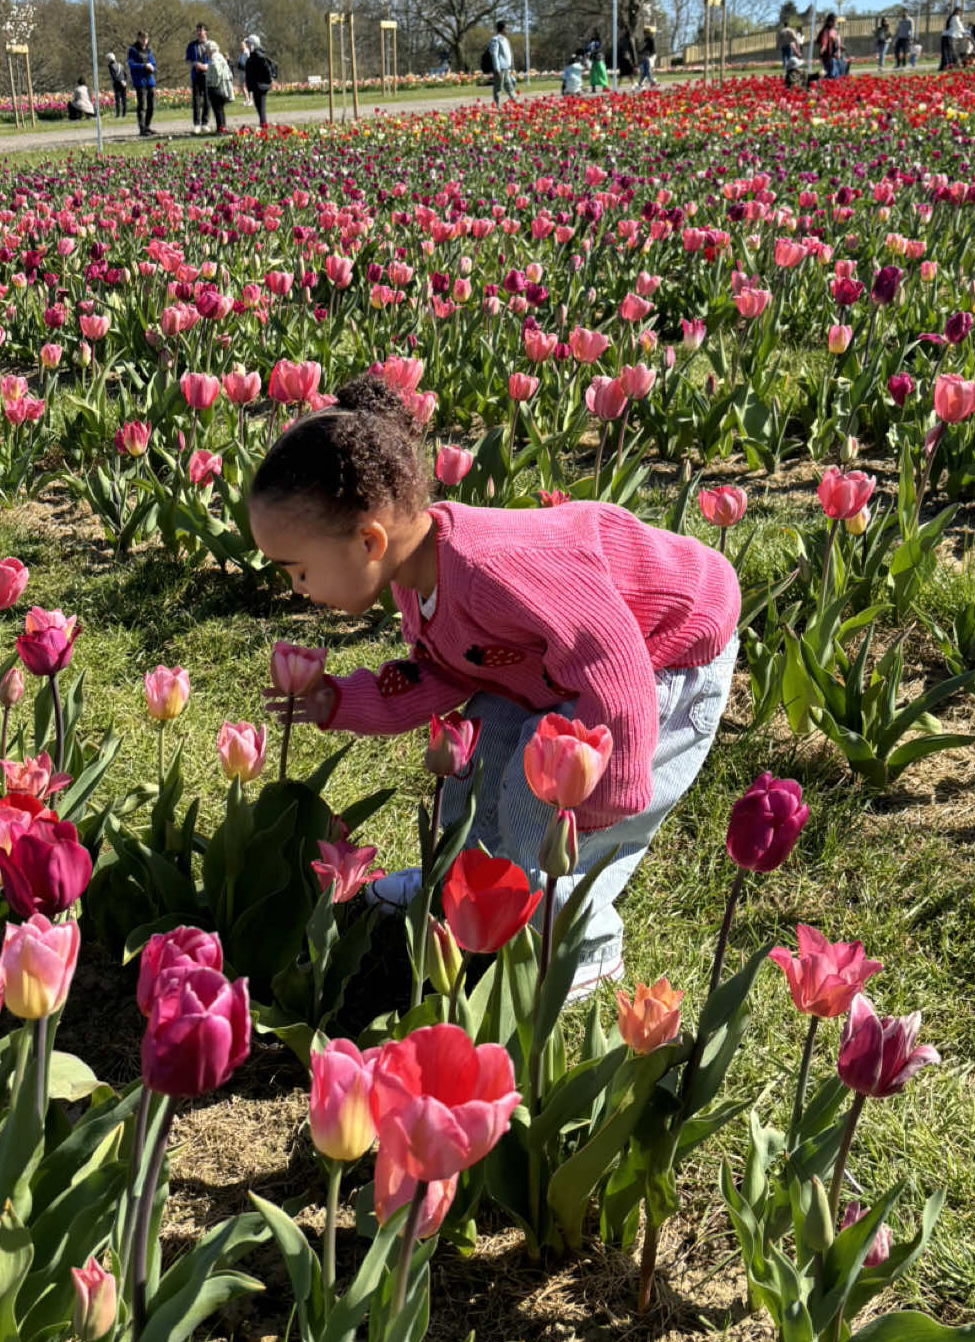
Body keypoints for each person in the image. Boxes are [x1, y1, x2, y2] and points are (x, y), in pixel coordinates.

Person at [248, 374, 741, 999]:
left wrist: (594, 793)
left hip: (663, 651)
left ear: (369, 540)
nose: (297, 588)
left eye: (299, 570)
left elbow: (610, 657)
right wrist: (337, 699)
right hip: (552, 668)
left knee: (534, 798)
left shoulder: (489, 569)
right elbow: (445, 669)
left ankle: (582, 941)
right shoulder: (415, 574)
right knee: (480, 758)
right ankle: (462, 881)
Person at [127, 31, 156, 136]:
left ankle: (147, 126)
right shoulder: (133, 50)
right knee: (142, 105)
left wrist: (152, 68)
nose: (144, 40)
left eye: (146, 38)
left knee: (152, 105)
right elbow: (131, 64)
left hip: (150, 80)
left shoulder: (148, 50)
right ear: (138, 38)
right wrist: (143, 66)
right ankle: (142, 128)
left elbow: (153, 63)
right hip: (140, 81)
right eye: (142, 38)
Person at [243, 33, 274, 129]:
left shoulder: (258, 57)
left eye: (248, 44)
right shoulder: (254, 56)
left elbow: (267, 71)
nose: (247, 45)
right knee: (258, 106)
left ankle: (263, 125)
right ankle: (262, 124)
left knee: (261, 107)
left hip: (260, 86)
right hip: (258, 85)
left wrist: (267, 81)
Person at [205, 39, 235, 134]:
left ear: (210, 50)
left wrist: (213, 84)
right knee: (220, 110)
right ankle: (223, 128)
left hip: (216, 88)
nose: (205, 52)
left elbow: (217, 71)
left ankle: (220, 129)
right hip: (221, 88)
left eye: (206, 49)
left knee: (217, 109)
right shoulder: (220, 57)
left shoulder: (215, 58)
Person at [186, 22, 211, 133]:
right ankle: (196, 124)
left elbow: (216, 59)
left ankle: (205, 123)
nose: (199, 32)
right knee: (196, 101)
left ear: (206, 31)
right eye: (198, 30)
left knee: (207, 100)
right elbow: (187, 60)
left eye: (201, 30)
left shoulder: (211, 44)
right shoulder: (191, 45)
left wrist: (207, 66)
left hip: (208, 75)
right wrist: (195, 64)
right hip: (196, 75)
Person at [490, 20, 517, 108]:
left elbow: (509, 54)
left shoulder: (505, 40)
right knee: (498, 87)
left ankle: (515, 99)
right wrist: (496, 68)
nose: (507, 30)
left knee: (509, 84)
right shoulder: (496, 40)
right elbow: (494, 54)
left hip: (506, 67)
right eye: (506, 28)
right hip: (500, 68)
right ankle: (497, 104)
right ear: (502, 29)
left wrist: (512, 66)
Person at [940, 4, 965, 71]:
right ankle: (950, 65)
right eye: (960, 12)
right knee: (950, 52)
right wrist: (965, 32)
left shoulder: (951, 17)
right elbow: (960, 27)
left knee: (946, 53)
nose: (960, 14)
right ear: (958, 11)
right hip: (949, 37)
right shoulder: (955, 17)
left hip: (945, 36)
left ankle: (944, 66)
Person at [818, 13, 843, 79]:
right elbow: (824, 42)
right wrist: (823, 48)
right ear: (830, 22)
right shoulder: (826, 31)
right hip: (829, 57)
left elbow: (836, 43)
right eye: (835, 21)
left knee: (834, 73)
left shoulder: (832, 30)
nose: (835, 23)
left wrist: (840, 48)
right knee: (832, 75)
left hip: (832, 56)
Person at [105, 51, 128, 118]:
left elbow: (114, 76)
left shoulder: (110, 66)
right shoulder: (121, 65)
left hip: (117, 83)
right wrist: (124, 81)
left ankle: (118, 115)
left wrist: (119, 81)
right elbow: (125, 75)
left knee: (117, 100)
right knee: (124, 99)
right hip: (124, 84)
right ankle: (124, 114)